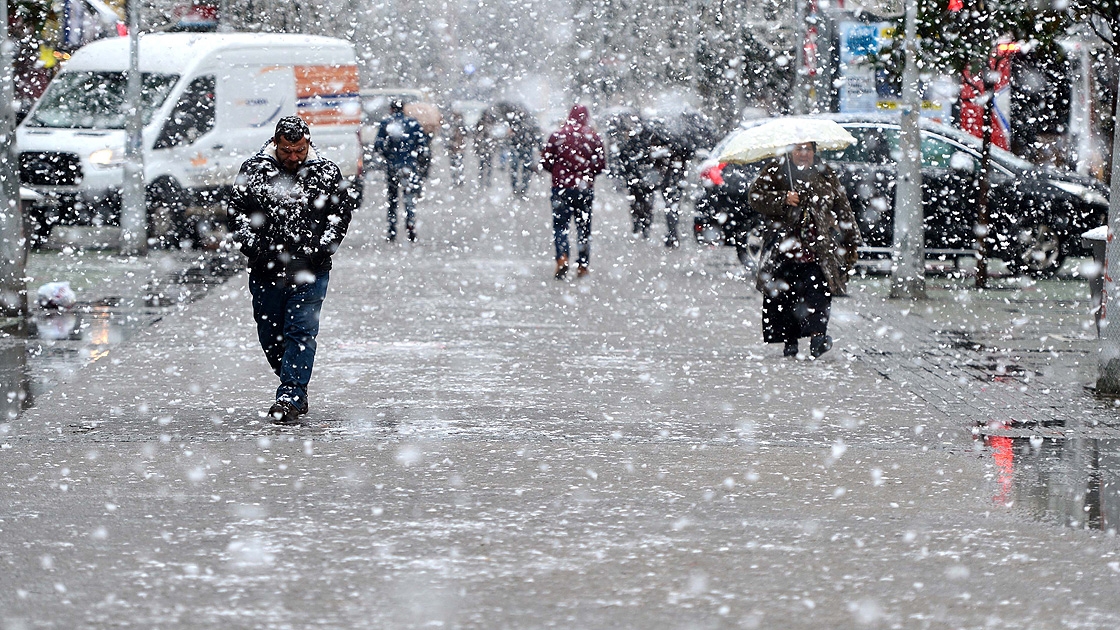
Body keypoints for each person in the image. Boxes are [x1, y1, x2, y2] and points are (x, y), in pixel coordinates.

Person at [228, 115, 360, 424]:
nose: (293, 157)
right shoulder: (254, 171)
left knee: (301, 332)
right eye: (287, 150)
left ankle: (290, 394)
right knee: (271, 335)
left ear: (308, 143)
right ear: (275, 144)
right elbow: (236, 214)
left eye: (299, 150)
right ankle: (291, 379)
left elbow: (339, 216)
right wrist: (255, 249)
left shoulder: (326, 173)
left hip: (309, 271)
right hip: (267, 270)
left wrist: (320, 251)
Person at [748, 142, 861, 359]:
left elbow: (842, 206)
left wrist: (850, 240)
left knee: (818, 292)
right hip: (784, 247)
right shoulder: (776, 170)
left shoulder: (825, 173)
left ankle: (818, 337)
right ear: (791, 151)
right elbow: (755, 197)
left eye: (807, 149)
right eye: (798, 149)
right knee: (787, 294)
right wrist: (783, 199)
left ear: (814, 152)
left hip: (817, 247)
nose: (803, 154)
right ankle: (790, 341)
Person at [540, 104, 607, 279]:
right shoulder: (593, 137)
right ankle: (583, 265)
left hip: (561, 188)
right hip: (584, 189)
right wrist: (586, 174)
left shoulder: (557, 135)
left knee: (560, 226)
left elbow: (546, 161)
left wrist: (558, 173)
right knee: (583, 228)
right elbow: (600, 165)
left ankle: (562, 257)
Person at [374, 99, 430, 242]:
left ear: (391, 109)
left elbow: (378, 145)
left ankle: (392, 230)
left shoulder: (387, 123)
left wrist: (388, 155)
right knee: (409, 198)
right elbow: (423, 146)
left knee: (393, 199)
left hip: (392, 166)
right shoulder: (413, 124)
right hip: (409, 166)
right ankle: (410, 227)